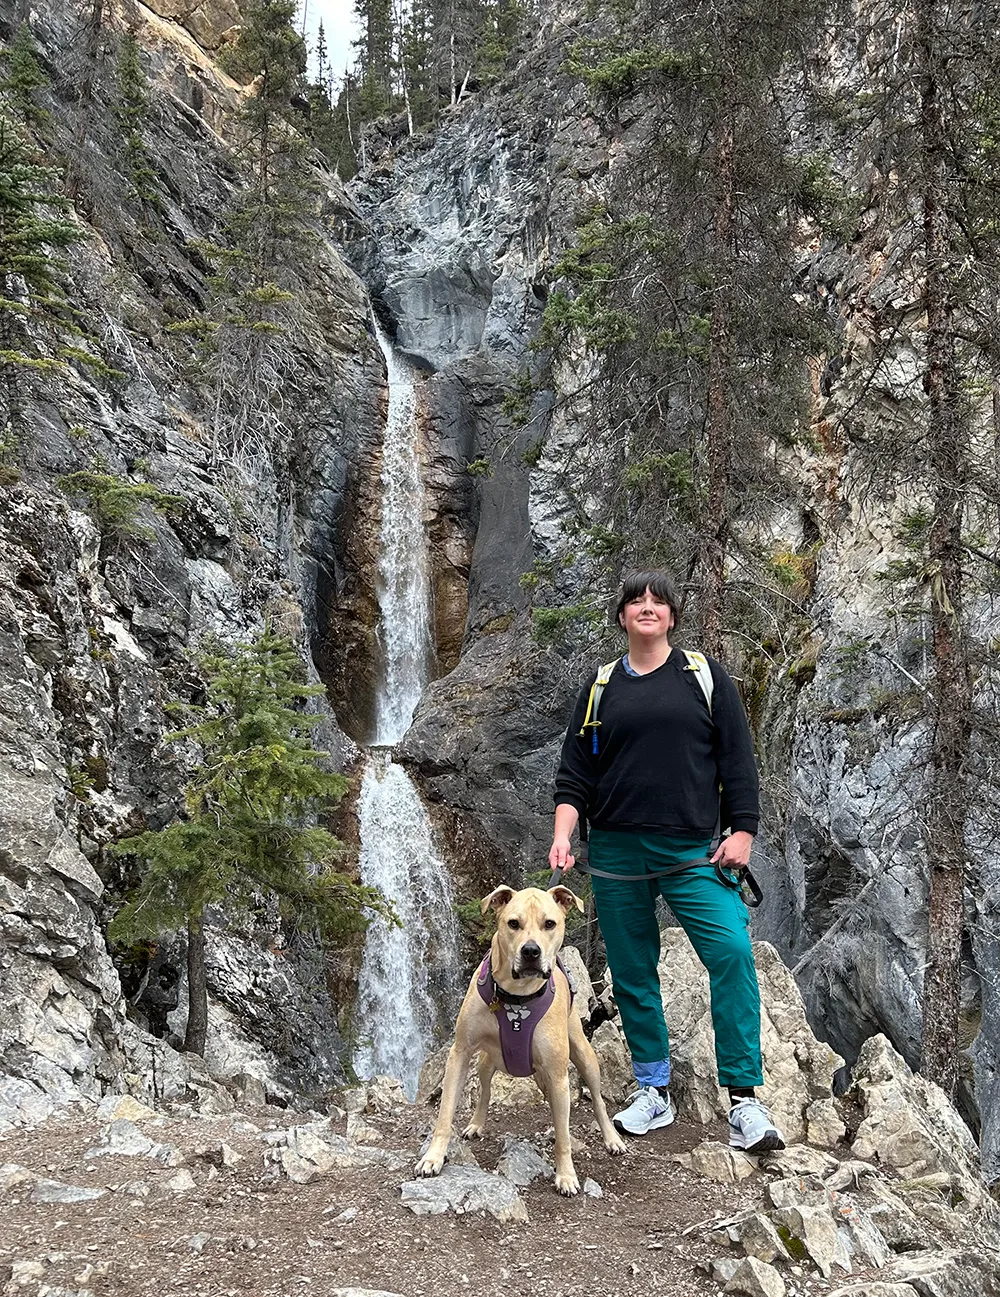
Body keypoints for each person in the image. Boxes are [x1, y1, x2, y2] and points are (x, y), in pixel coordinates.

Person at [549, 568, 784, 1152]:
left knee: (731, 952)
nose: (647, 607)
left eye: (658, 601)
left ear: (673, 616)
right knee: (632, 971)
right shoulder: (602, 687)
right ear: (623, 616)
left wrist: (743, 833)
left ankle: (745, 1100)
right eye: (635, 600)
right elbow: (575, 774)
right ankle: (653, 1090)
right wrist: (563, 836)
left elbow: (738, 762)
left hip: (689, 851)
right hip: (615, 851)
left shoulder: (704, 678)